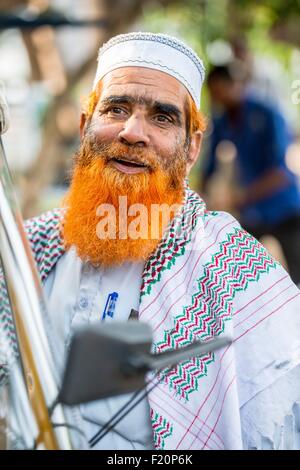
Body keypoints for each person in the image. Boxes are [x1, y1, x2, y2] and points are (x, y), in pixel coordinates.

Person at [1, 32, 300, 450]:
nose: (132, 132)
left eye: (162, 117)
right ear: (86, 126)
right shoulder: (25, 253)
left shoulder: (235, 273)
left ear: (190, 147)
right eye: (116, 108)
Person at [204, 64, 300, 285]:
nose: (217, 98)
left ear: (234, 85)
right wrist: (202, 193)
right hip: (253, 213)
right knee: (236, 270)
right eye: (213, 94)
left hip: (284, 207)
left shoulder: (266, 113)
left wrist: (241, 197)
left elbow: (281, 172)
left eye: (220, 91)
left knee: (297, 273)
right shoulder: (223, 121)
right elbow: (210, 165)